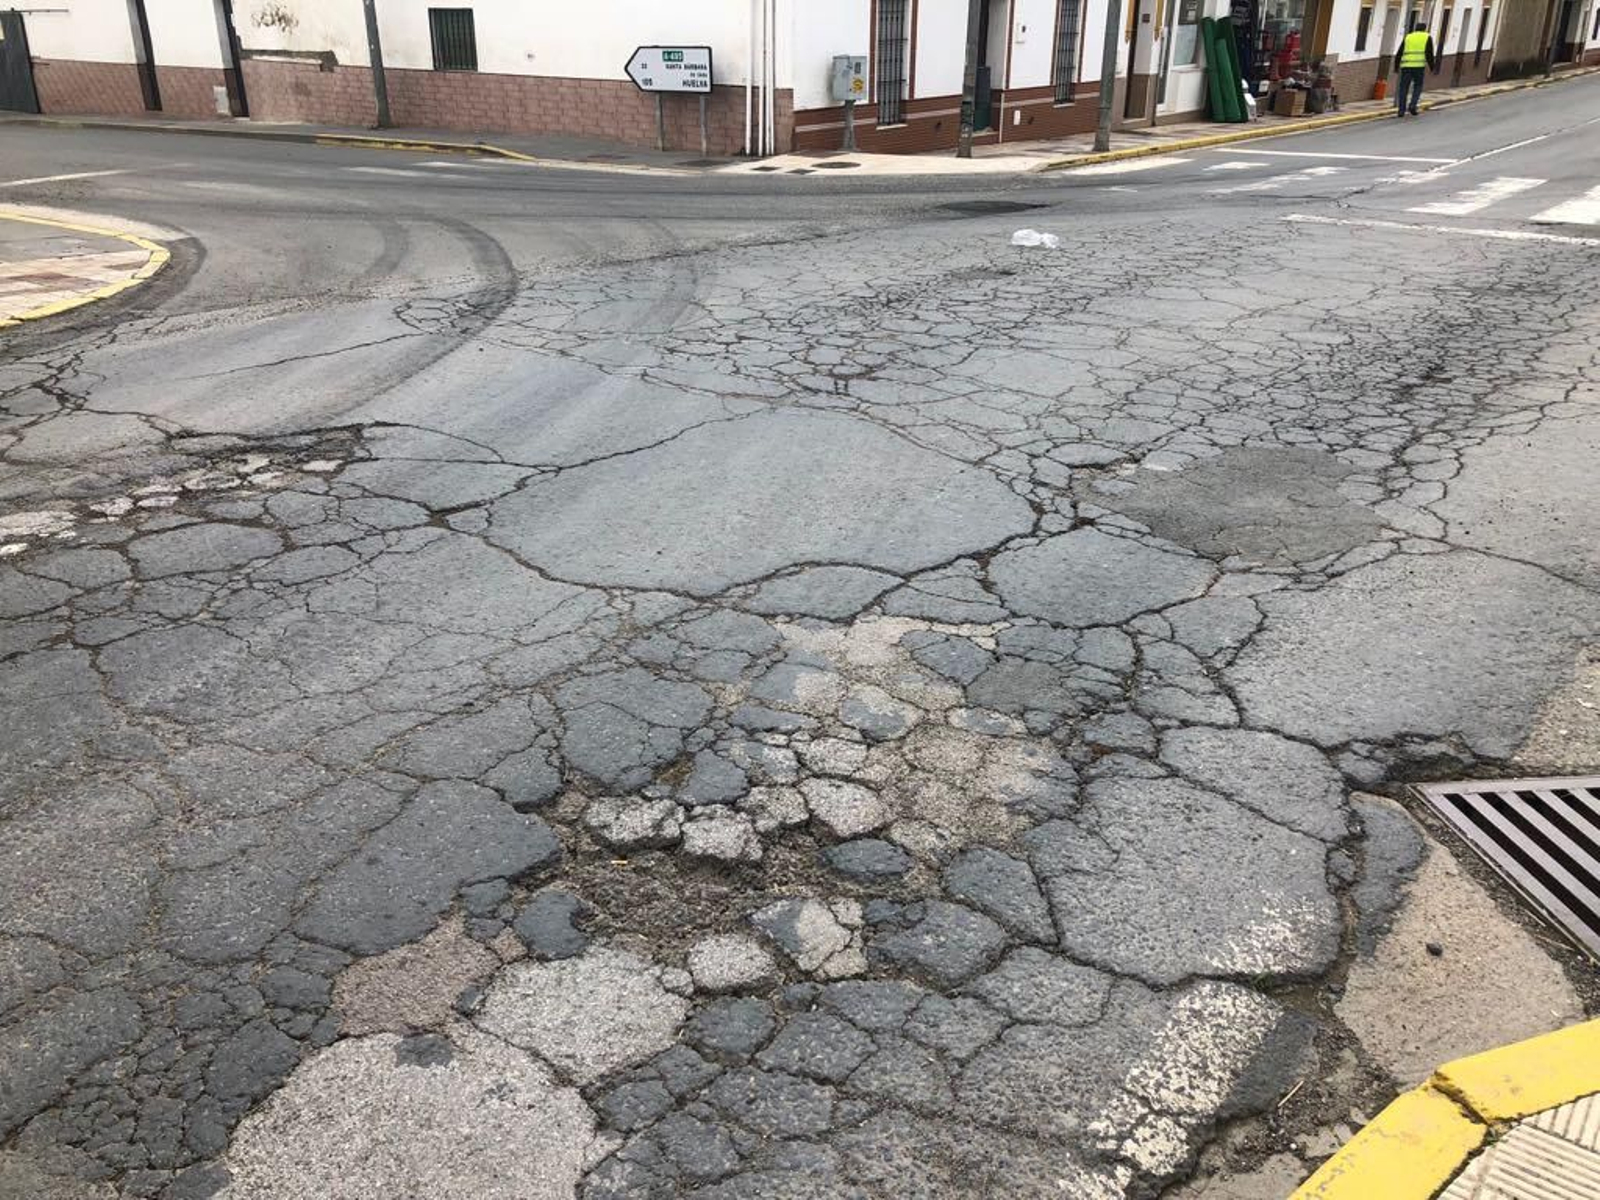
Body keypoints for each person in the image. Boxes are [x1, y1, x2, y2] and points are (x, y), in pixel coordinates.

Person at [1394, 18, 1440, 117]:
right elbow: (1429, 54)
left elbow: (1399, 52)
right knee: (1418, 86)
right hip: (1419, 67)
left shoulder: (1408, 37)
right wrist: (1433, 68)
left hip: (1406, 66)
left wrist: (1396, 66)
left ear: (1415, 28)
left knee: (1403, 88)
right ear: (1425, 29)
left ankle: (1401, 110)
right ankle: (1412, 105)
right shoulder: (1427, 37)